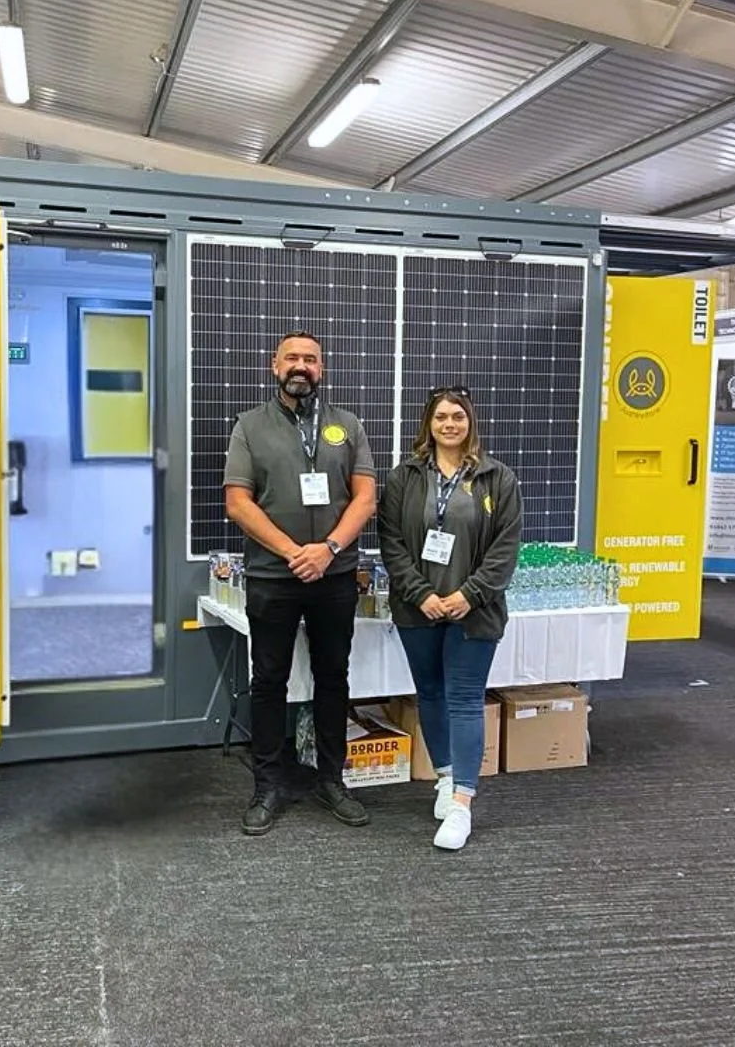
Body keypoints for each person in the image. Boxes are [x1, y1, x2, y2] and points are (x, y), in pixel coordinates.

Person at [223, 331, 378, 836]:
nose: (301, 366)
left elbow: (365, 499)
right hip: (274, 577)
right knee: (268, 681)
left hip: (333, 576)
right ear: (274, 366)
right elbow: (238, 503)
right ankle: (268, 785)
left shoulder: (347, 426)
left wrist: (327, 549)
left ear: (322, 370)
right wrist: (294, 552)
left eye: (311, 359)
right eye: (292, 357)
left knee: (334, 677)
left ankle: (332, 779)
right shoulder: (249, 426)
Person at [378, 386, 522, 851]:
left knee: (463, 699)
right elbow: (392, 544)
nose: (449, 424)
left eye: (457, 416)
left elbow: (505, 550)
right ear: (429, 423)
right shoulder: (404, 477)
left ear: (470, 422)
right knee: (430, 694)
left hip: (473, 613)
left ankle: (462, 803)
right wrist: (421, 594)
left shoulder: (498, 479)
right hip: (418, 609)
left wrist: (469, 594)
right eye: (440, 416)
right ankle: (444, 775)